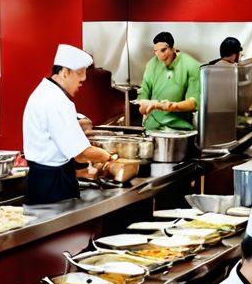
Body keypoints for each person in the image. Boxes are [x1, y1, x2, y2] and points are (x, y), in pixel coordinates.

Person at [22, 44, 115, 205]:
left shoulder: (44, 91)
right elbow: (81, 153)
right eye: (79, 74)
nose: (83, 79)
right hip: (52, 185)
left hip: (41, 179)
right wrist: (108, 156)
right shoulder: (57, 101)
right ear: (64, 73)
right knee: (58, 227)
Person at [137, 32, 202, 132]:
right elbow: (144, 93)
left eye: (164, 50)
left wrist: (170, 106)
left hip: (179, 130)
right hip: (152, 129)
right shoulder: (152, 64)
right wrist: (143, 104)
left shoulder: (191, 66)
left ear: (172, 48)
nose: (161, 56)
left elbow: (193, 102)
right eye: (156, 51)